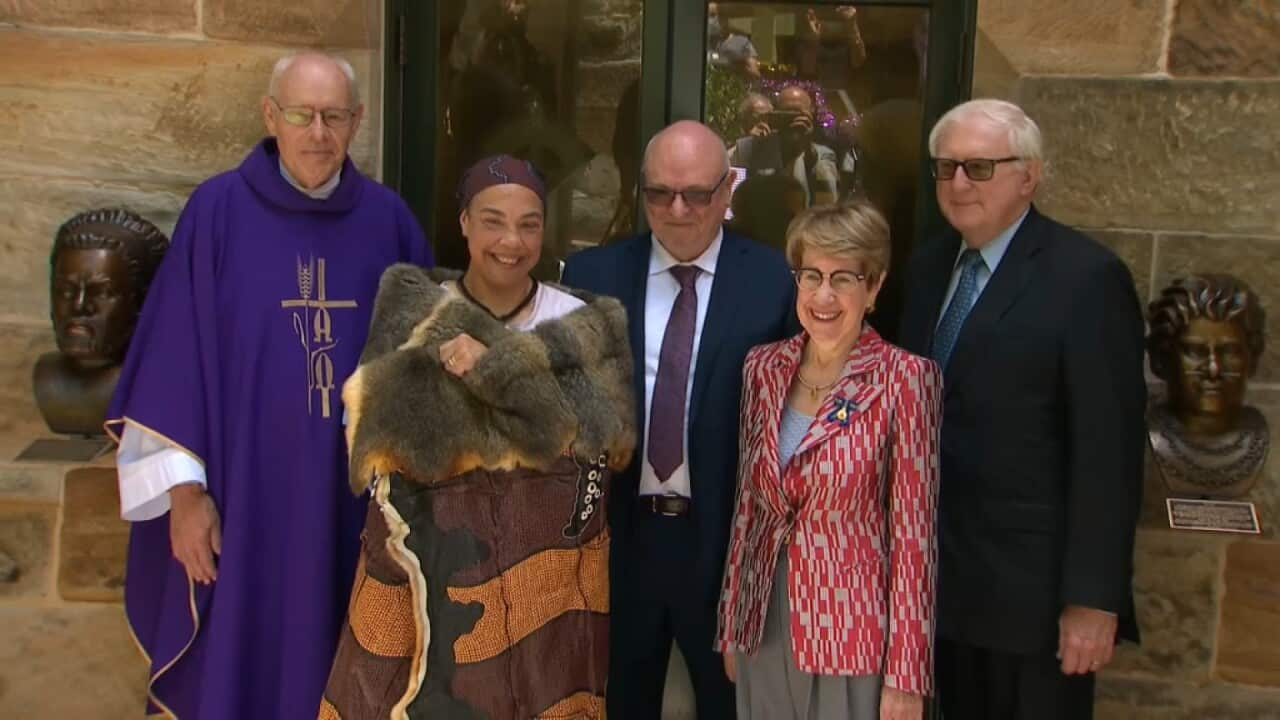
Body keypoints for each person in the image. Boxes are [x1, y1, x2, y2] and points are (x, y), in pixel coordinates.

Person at [106, 52, 431, 718]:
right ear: (270, 116)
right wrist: (186, 496)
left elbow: (422, 366)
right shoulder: (217, 214)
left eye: (334, 116)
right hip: (242, 504)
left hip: (353, 509)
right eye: (302, 115)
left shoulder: (389, 223)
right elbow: (172, 364)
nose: (318, 133)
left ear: (358, 121)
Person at [321, 155, 634, 718]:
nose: (510, 241)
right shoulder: (414, 312)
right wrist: (532, 407)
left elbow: (605, 442)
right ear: (463, 222)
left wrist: (490, 369)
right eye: (492, 220)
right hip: (432, 584)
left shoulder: (585, 323)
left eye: (529, 223)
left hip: (551, 593)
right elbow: (375, 431)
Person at [897, 99, 1145, 719]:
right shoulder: (927, 268)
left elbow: (1107, 453)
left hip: (1034, 608)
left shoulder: (1085, 279)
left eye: (979, 168)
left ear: (1029, 175)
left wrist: (1093, 600)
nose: (957, 183)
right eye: (946, 167)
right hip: (936, 592)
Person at [562, 120, 797, 719]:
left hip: (722, 544)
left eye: (696, 193)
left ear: (727, 192)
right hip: (623, 538)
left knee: (729, 705)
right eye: (660, 192)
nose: (678, 209)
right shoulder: (592, 279)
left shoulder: (774, 282)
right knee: (618, 703)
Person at [718, 200, 940, 719]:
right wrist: (732, 622)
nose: (823, 295)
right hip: (763, 625)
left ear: (875, 286)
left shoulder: (904, 379)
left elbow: (915, 538)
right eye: (810, 275)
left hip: (853, 632)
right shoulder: (763, 368)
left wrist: (906, 675)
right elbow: (748, 508)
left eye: (843, 278)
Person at [34, 208, 168, 436]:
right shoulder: (46, 377)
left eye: (101, 292)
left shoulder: (159, 384)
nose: (79, 306)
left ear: (142, 301)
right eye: (66, 291)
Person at [1146, 274, 1268, 498]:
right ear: (1162, 358)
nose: (1213, 369)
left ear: (1252, 357)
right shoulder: (1134, 444)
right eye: (1195, 351)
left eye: (1230, 352)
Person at [729, 85, 841, 207]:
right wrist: (753, 145)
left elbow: (829, 204)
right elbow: (732, 192)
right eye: (786, 114)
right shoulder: (752, 148)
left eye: (798, 114)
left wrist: (807, 148)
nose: (792, 121)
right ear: (775, 114)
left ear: (810, 114)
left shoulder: (822, 155)